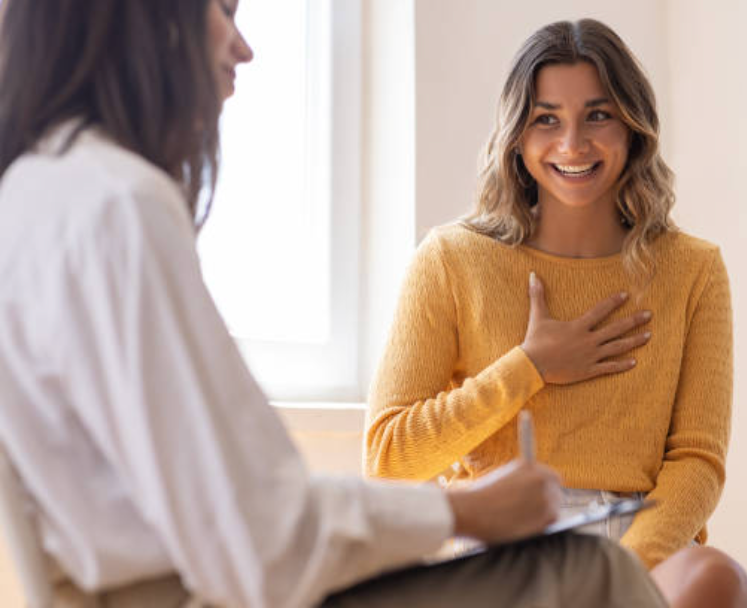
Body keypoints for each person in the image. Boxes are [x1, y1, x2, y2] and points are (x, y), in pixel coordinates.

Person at [0, 1, 670, 607]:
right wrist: (465, 512)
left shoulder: (33, 196)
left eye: (598, 117)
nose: (243, 49)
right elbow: (269, 542)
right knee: (594, 574)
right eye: (224, 11)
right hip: (204, 591)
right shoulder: (120, 209)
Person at [364, 19, 747, 608]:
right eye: (547, 118)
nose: (572, 143)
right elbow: (387, 460)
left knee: (718, 580)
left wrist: (616, 571)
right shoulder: (450, 260)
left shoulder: (693, 269)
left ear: (632, 127)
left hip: (642, 542)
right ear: (517, 136)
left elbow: (698, 463)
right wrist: (529, 366)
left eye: (597, 115)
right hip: (505, 545)